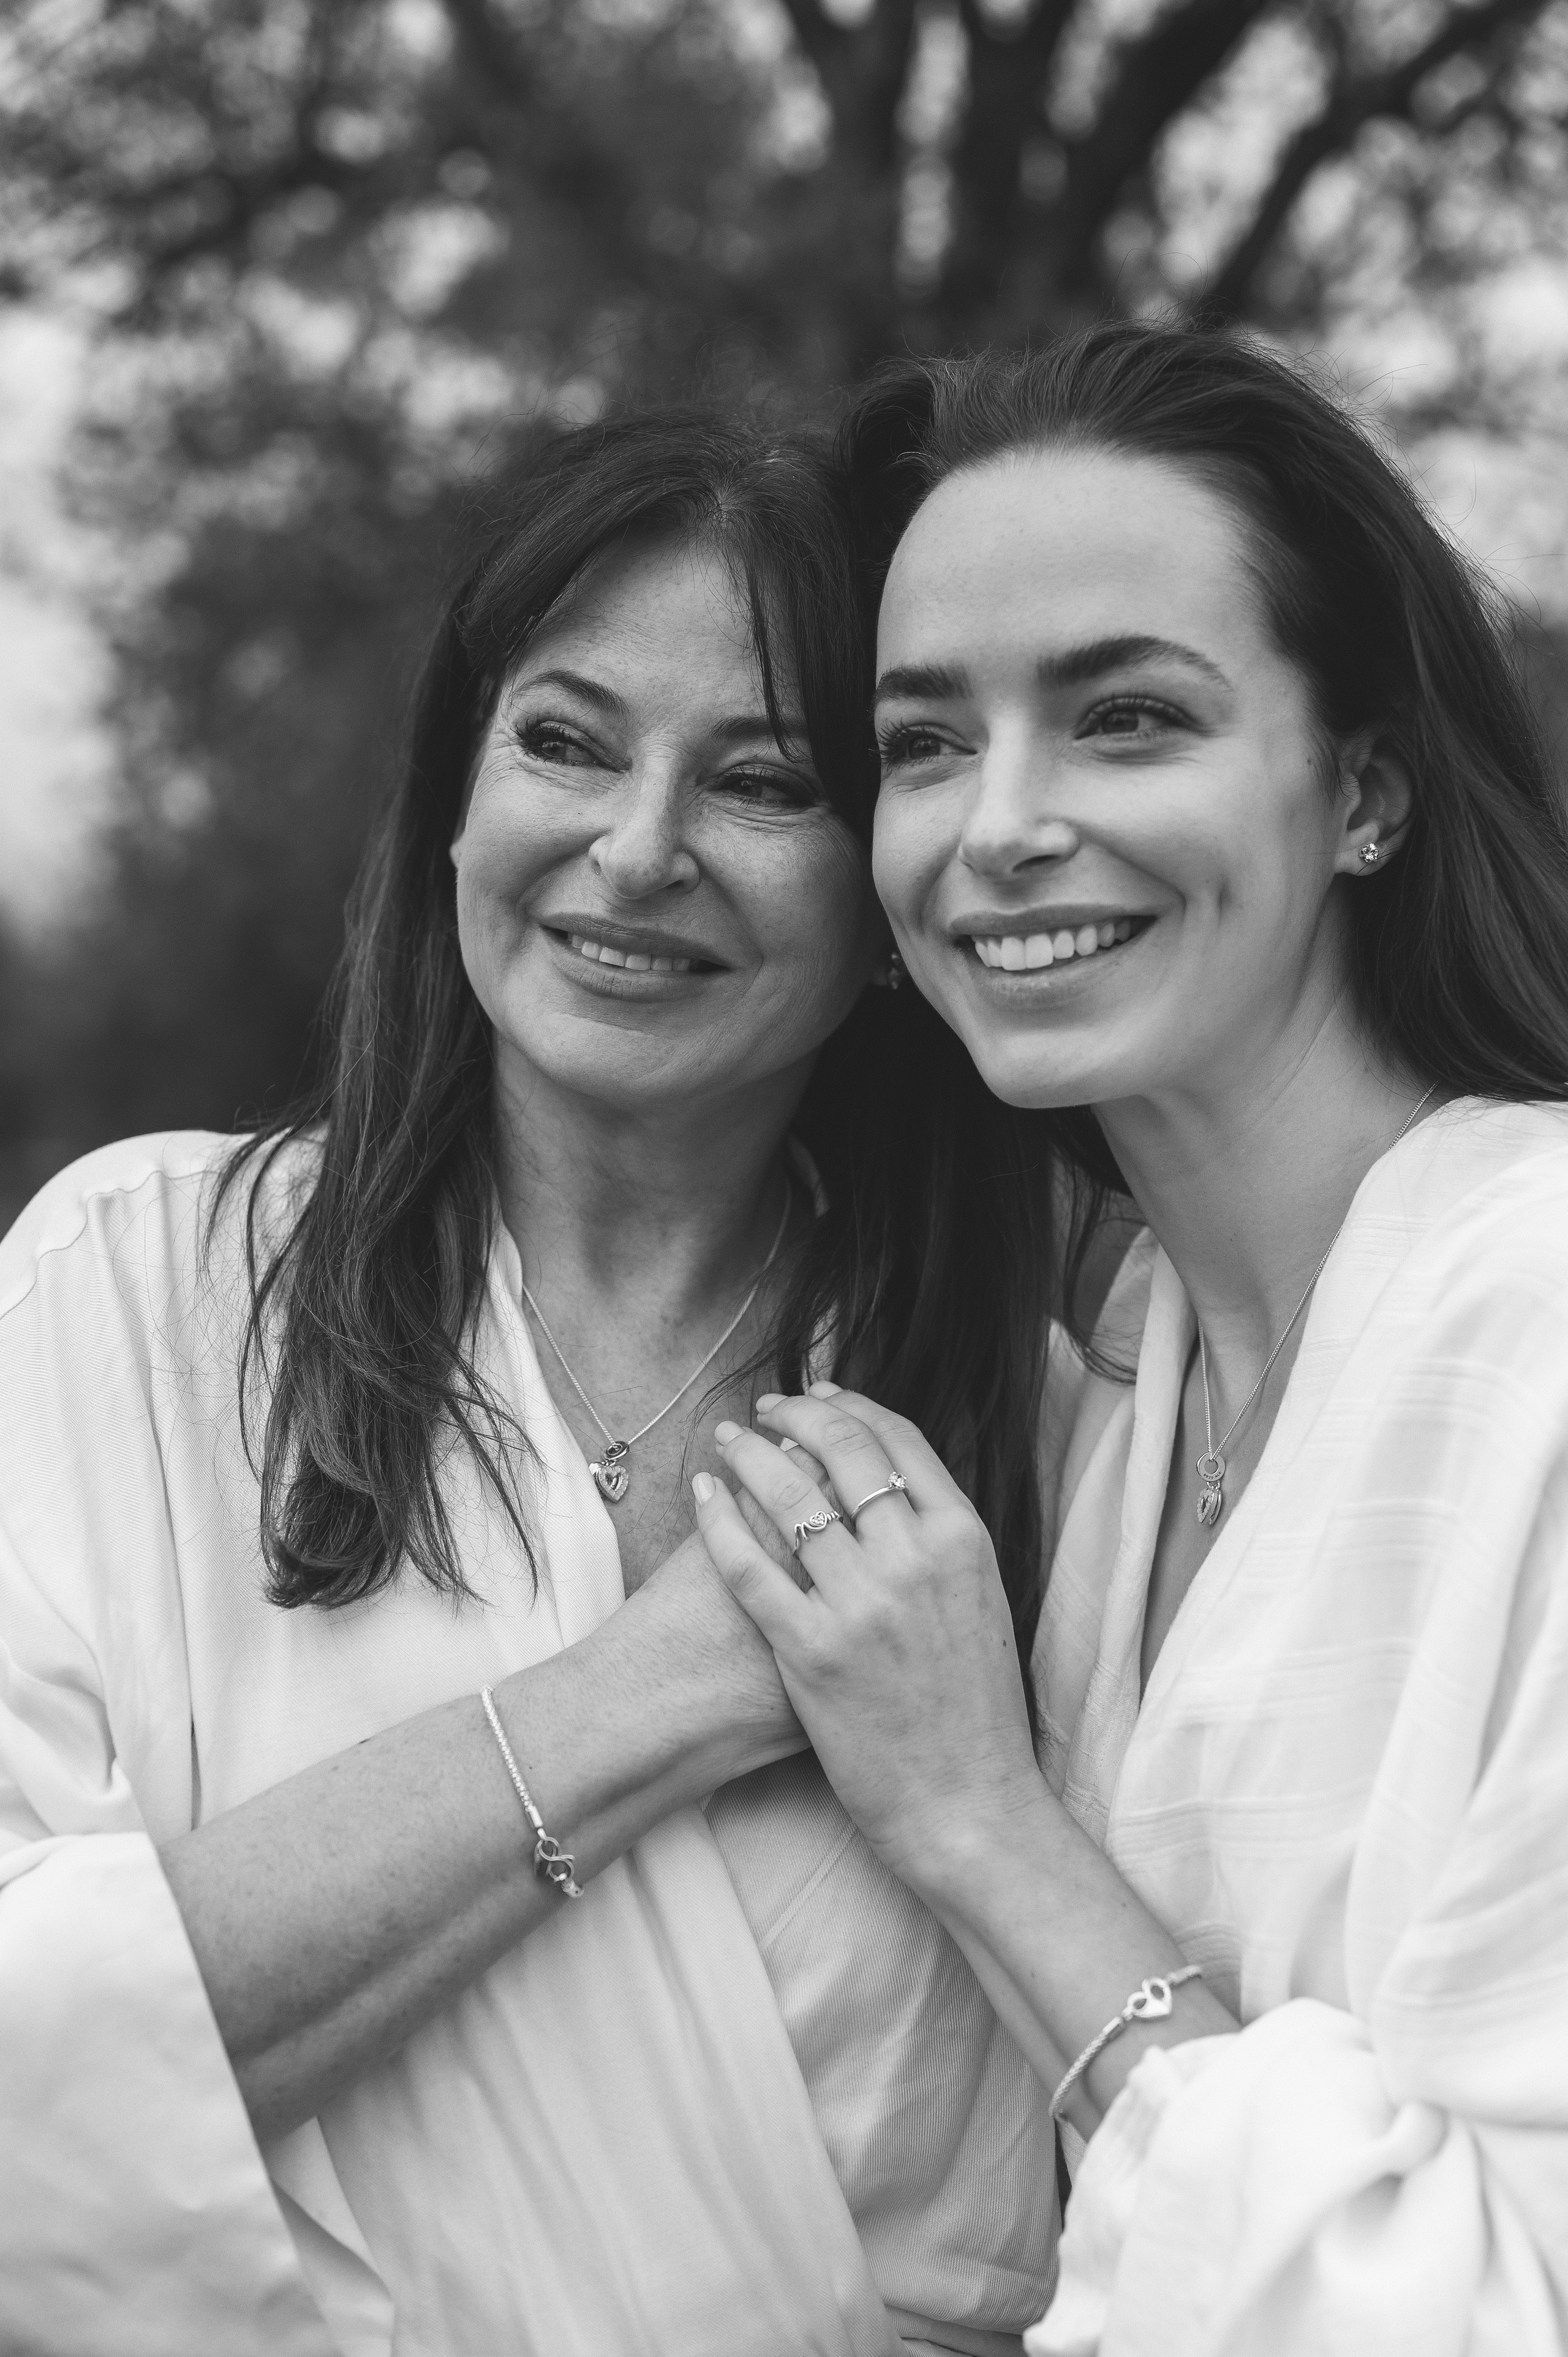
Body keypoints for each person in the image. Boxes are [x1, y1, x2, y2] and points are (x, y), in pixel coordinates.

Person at [0, 413, 1069, 2356]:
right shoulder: (132, 1291)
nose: (637, 849)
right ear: (454, 811)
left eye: (762, 780)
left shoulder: (1048, 1432)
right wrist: (642, 1700)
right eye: (565, 741)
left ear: (899, 902)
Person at [698, 324, 1568, 2355]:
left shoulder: (1540, 1326)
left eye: (1126, 720)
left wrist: (979, 1821)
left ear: (1364, 788)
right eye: (923, 743)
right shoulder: (1106, 1395)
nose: (997, 826)